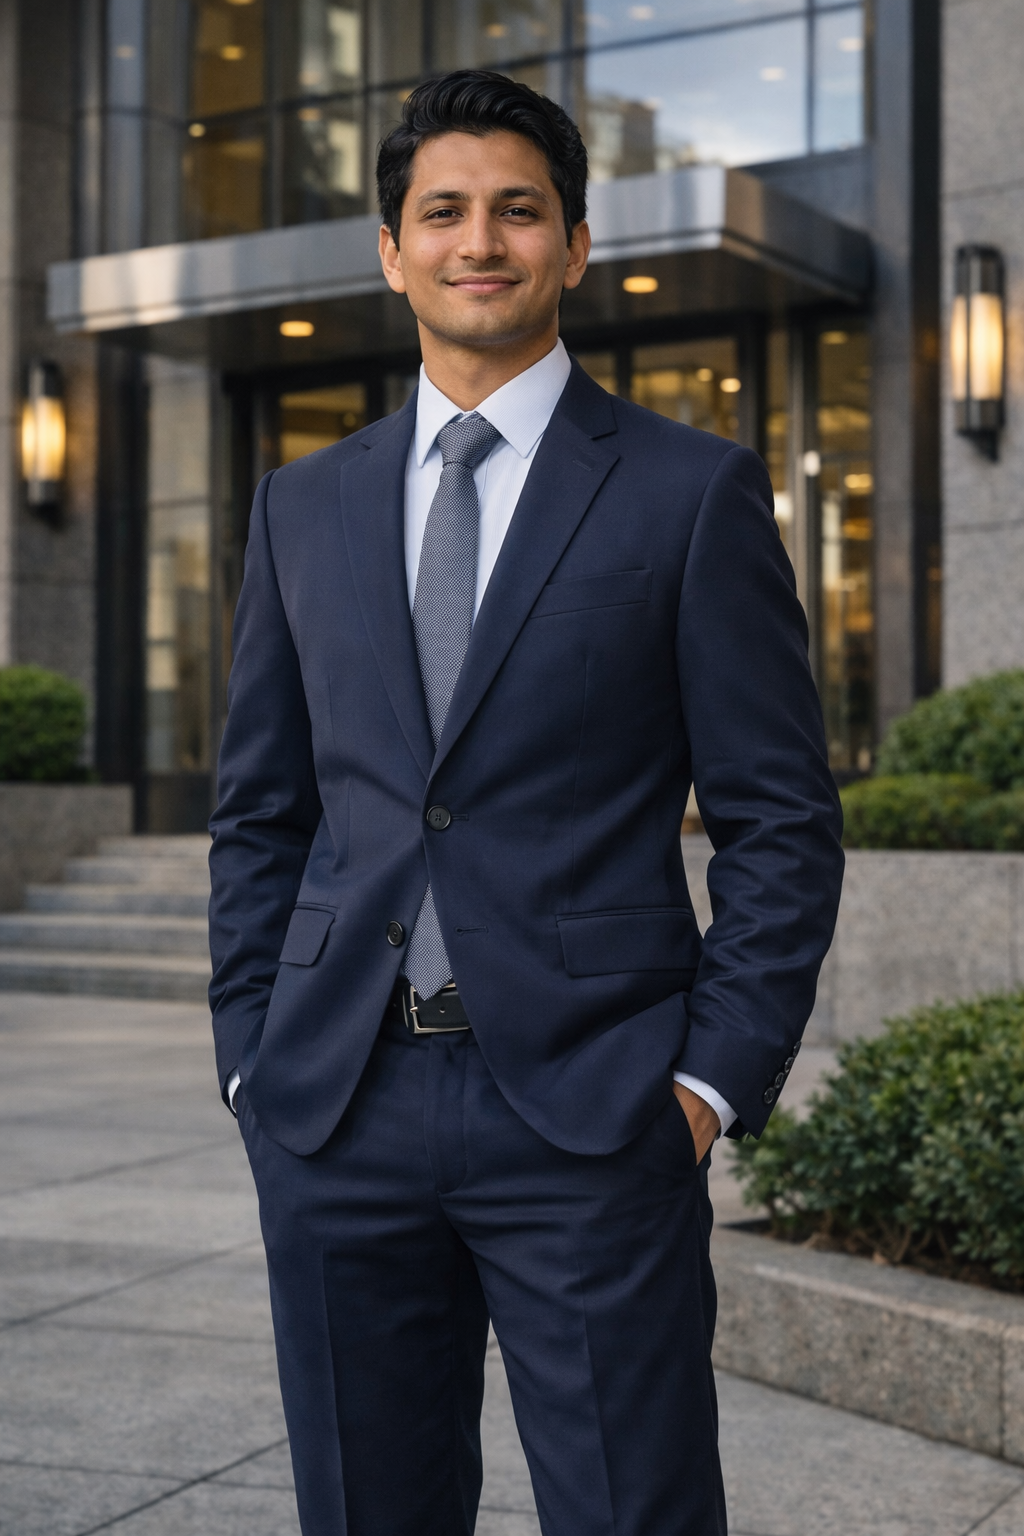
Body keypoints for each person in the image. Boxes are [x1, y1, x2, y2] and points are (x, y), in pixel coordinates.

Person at [209, 68, 844, 1536]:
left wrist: (705, 1088)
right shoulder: (303, 505)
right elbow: (262, 811)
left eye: (518, 209)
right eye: (443, 212)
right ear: (392, 252)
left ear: (575, 244)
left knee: (633, 1510)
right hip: (335, 1106)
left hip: (594, 1112)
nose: (479, 241)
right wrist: (251, 1053)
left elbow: (780, 819)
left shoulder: (689, 492)